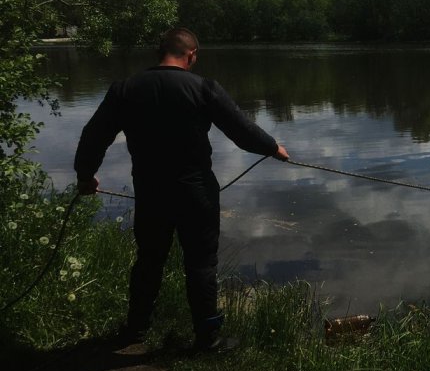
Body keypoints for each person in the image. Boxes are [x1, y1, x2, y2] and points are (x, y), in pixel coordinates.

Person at [74, 28, 289, 350]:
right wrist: (272, 147)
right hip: (196, 191)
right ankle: (207, 337)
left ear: (160, 53)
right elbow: (240, 131)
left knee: (148, 260)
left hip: (150, 192)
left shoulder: (125, 89)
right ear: (191, 55)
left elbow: (94, 136)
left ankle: (135, 329)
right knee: (201, 264)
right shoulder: (203, 87)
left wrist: (85, 176)